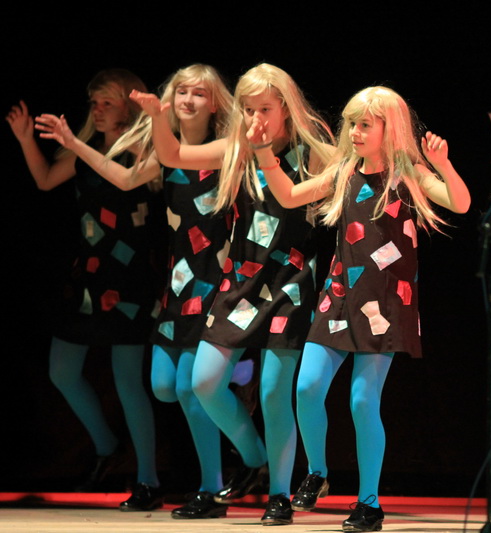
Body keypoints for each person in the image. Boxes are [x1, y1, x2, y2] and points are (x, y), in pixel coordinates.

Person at [258, 85, 471, 532]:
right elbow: (290, 196)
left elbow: (460, 202)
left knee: (361, 400)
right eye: (351, 124)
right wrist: (263, 154)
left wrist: (444, 165)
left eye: (365, 125)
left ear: (389, 129)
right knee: (307, 387)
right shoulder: (344, 170)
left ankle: (369, 503)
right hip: (339, 295)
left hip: (387, 302)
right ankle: (317, 472)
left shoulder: (407, 172)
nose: (354, 132)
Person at [132, 62, 335, 525]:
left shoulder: (311, 152)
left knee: (274, 393)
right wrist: (158, 117)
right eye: (247, 109)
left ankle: (279, 494)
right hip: (241, 279)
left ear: (286, 107)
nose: (255, 118)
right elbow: (174, 155)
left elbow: (300, 193)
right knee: (203, 381)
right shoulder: (239, 147)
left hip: (290, 281)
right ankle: (254, 460)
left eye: (264, 108)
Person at [36, 63, 238, 518]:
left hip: (184, 275)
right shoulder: (164, 147)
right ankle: (230, 462)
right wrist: (72, 143)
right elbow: (124, 177)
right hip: (161, 276)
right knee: (164, 387)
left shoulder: (199, 146)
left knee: (178, 385)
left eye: (197, 93)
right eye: (180, 92)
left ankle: (218, 473)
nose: (187, 99)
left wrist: (155, 122)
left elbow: (152, 167)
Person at [6, 69, 164, 510]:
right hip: (91, 276)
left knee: (128, 381)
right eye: (94, 102)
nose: (97, 109)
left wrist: (77, 144)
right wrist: (26, 139)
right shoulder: (82, 149)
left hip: (132, 277)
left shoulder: (144, 151)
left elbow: (132, 179)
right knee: (62, 371)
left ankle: (148, 480)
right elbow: (45, 180)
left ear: (129, 106)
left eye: (107, 102)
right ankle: (106, 447)